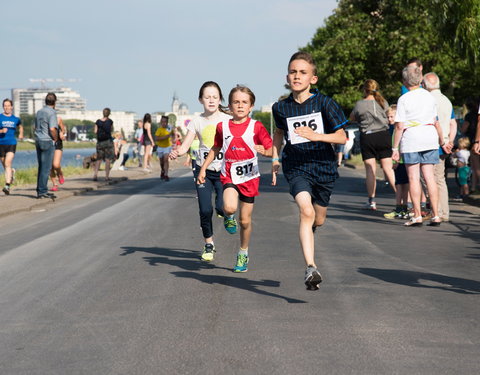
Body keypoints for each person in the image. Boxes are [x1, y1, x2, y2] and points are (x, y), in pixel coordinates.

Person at [271, 52, 347, 290]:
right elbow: (279, 134)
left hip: (323, 166)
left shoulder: (325, 103)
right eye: (293, 72)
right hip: (296, 166)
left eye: (303, 72)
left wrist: (317, 136)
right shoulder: (280, 108)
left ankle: (311, 229)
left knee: (318, 218)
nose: (297, 76)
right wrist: (275, 157)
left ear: (313, 78)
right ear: (287, 76)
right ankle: (311, 268)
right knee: (305, 211)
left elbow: (342, 137)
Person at [198, 85, 273, 272]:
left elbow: (272, 148)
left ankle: (243, 252)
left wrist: (266, 151)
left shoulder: (257, 126)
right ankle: (228, 216)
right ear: (230, 106)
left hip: (249, 177)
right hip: (229, 173)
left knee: (245, 222)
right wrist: (203, 168)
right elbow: (215, 148)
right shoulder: (222, 127)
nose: (240, 106)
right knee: (229, 206)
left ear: (251, 106)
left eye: (244, 102)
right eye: (236, 102)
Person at [169, 81, 231, 261]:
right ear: (200, 100)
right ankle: (209, 244)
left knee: (222, 206)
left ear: (220, 99)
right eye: (207, 97)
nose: (211, 100)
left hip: (223, 170)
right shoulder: (196, 121)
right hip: (202, 170)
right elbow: (185, 146)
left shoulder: (227, 120)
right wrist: (177, 152)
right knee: (205, 210)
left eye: (215, 97)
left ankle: (227, 213)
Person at [392, 65, 447, 226]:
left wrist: (395, 148)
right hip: (429, 137)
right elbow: (436, 121)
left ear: (404, 81)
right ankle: (436, 214)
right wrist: (441, 140)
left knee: (413, 178)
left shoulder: (404, 99)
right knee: (430, 177)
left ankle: (417, 215)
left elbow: (400, 126)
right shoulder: (430, 97)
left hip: (412, 139)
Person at [350, 79, 396, 210]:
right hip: (383, 135)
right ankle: (401, 197)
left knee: (371, 170)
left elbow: (352, 117)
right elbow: (389, 114)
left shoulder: (360, 104)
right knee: (388, 168)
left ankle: (371, 200)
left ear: (364, 90)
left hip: (368, 136)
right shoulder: (383, 102)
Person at [423, 72, 457, 222]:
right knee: (440, 179)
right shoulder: (446, 101)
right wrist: (450, 141)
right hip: (444, 143)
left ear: (425, 85)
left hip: (433, 142)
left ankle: (438, 211)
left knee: (429, 178)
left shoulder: (428, 100)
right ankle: (443, 211)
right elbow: (453, 123)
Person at [384, 105, 410, 219]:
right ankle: (403, 207)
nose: (389, 119)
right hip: (402, 160)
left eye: (391, 116)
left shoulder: (398, 129)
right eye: (388, 117)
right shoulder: (394, 129)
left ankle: (400, 207)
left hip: (401, 160)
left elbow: (400, 145)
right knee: (402, 185)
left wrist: (396, 160)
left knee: (401, 185)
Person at [34, 93, 58, 199]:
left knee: (41, 167)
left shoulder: (39, 112)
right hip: (47, 140)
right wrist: (55, 138)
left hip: (38, 140)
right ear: (55, 102)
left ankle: (40, 189)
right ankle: (43, 191)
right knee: (46, 167)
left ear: (45, 101)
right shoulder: (52, 113)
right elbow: (52, 129)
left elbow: (36, 126)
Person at [0, 99, 23, 195]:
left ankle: (7, 186)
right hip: (1, 143)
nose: (7, 107)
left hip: (11, 143)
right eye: (5, 106)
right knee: (4, 165)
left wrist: (21, 134)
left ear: (12, 107)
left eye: (8, 105)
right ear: (3, 107)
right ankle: (12, 173)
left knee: (8, 163)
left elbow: (20, 126)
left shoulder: (16, 119)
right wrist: (1, 131)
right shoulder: (0, 117)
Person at [461, 98, 479, 192]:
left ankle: (474, 186)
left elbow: (463, 129)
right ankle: (473, 187)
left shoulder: (470, 116)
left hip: (474, 142)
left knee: (476, 167)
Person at [93, 108, 115, 181]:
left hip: (100, 142)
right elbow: (111, 130)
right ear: (109, 114)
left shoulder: (98, 121)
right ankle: (106, 177)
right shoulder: (110, 121)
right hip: (108, 141)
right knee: (107, 159)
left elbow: (95, 131)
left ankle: (95, 175)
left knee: (98, 159)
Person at [154, 115, 175, 181]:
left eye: (165, 122)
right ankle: (162, 170)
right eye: (162, 122)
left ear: (167, 122)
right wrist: (165, 137)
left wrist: (173, 140)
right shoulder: (159, 130)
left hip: (167, 146)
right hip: (160, 147)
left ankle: (166, 174)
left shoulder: (169, 129)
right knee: (161, 162)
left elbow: (173, 134)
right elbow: (156, 138)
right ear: (161, 122)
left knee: (166, 159)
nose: (164, 123)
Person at [49, 116, 66, 192]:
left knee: (56, 164)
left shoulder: (58, 119)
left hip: (57, 143)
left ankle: (60, 174)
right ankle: (54, 184)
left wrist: (62, 133)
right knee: (50, 167)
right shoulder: (43, 119)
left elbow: (63, 130)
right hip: (47, 144)